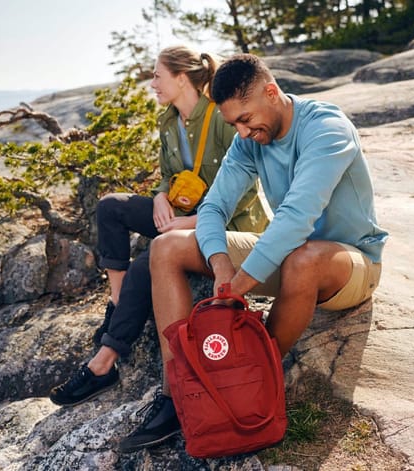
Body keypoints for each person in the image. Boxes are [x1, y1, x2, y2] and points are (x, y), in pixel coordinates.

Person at [117, 53, 389, 453]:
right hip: (287, 257)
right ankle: (181, 392)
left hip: (350, 264)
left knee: (303, 257)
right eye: (233, 124)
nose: (242, 132)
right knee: (166, 246)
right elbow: (213, 208)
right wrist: (220, 262)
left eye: (245, 119)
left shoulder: (327, 129)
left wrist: (237, 286)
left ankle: (250, 378)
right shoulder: (249, 141)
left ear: (271, 92)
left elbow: (297, 216)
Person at [49, 47, 269, 407]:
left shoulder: (220, 118)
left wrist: (192, 222)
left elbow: (243, 193)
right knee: (111, 207)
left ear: (181, 78)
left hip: (224, 225)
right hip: (180, 216)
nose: (152, 84)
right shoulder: (168, 121)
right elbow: (168, 176)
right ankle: (117, 305)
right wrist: (159, 198)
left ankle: (104, 364)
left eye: (157, 76)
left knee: (146, 263)